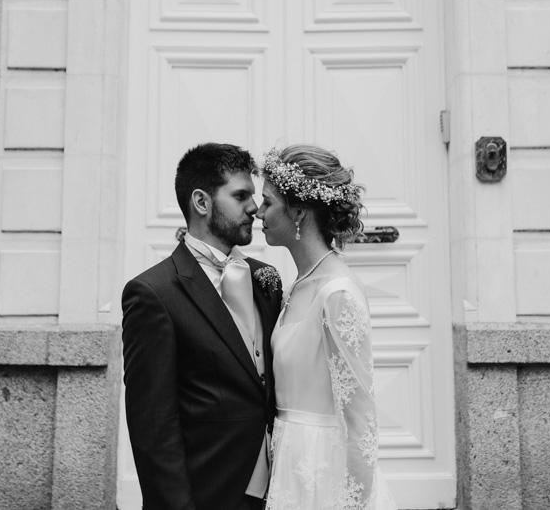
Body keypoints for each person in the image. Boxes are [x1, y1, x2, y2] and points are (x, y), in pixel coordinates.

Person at [122, 143, 284, 510]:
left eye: (254, 196)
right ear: (201, 202)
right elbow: (153, 426)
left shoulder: (265, 279)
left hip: (278, 490)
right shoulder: (153, 294)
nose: (254, 208)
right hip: (208, 493)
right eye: (240, 195)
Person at [256, 144, 397, 510]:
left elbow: (361, 423)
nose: (258, 212)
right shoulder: (297, 286)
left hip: (325, 476)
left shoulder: (338, 293)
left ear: (298, 210)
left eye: (268, 202)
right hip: (290, 465)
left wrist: (351, 503)